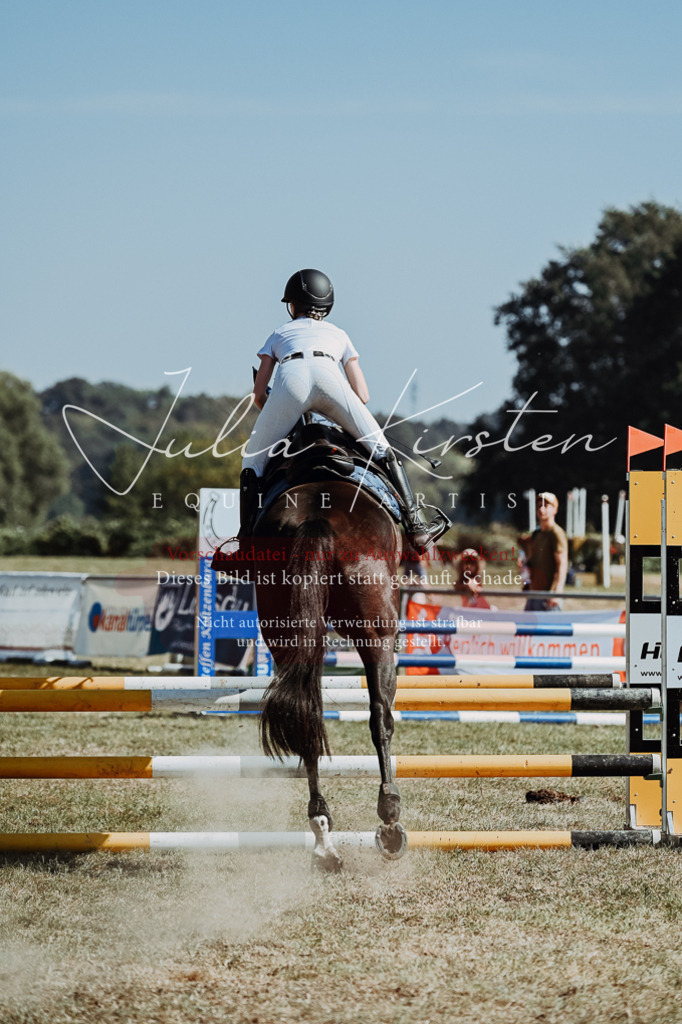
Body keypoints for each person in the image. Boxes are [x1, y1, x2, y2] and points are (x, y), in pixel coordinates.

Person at [240, 269, 451, 550]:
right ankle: (416, 526)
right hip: (331, 379)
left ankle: (244, 543)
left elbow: (258, 394)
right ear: (327, 305)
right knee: (383, 451)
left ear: (292, 305)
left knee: (251, 465)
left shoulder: (279, 333)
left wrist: (279, 414)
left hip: (290, 383)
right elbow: (362, 395)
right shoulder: (339, 334)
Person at [522, 492, 568, 611]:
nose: (541, 509)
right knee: (526, 629)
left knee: (550, 629)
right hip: (533, 592)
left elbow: (562, 564)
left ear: (555, 510)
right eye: (539, 505)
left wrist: (557, 592)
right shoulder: (536, 534)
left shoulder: (556, 534)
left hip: (548, 594)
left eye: (546, 506)